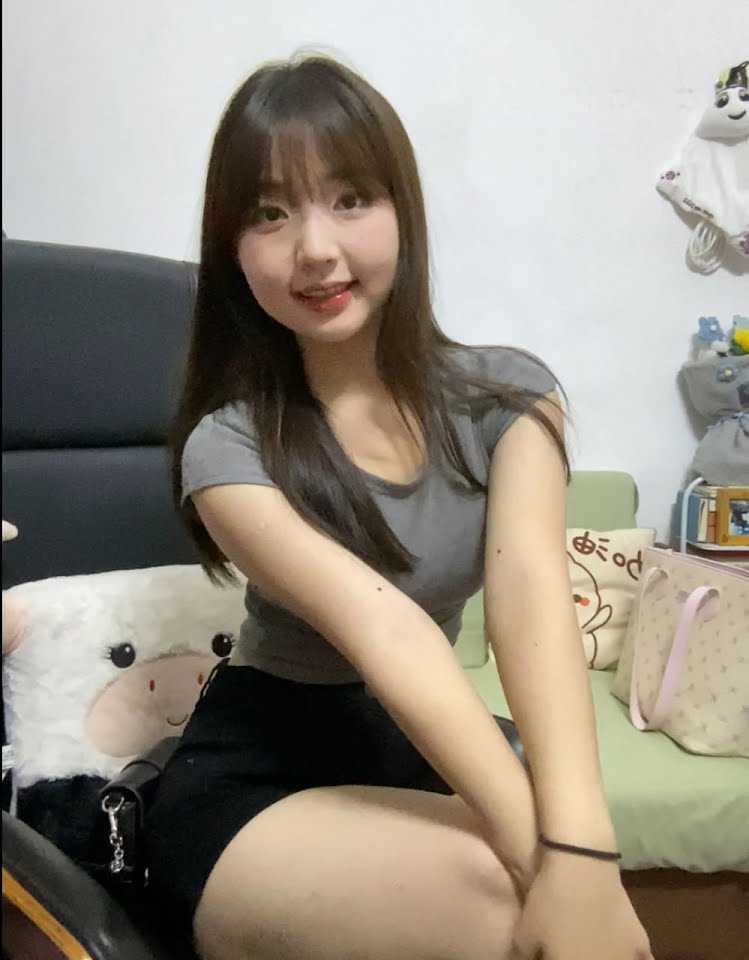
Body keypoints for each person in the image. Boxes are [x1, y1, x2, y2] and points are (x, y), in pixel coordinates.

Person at [144, 53, 653, 960]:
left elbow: (530, 597)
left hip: (421, 745)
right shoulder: (226, 447)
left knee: (574, 904)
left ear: (401, 212)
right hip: (261, 776)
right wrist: (549, 864)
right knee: (512, 913)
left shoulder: (511, 401)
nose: (315, 249)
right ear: (232, 247)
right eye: (269, 213)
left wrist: (582, 849)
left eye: (350, 198)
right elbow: (387, 632)